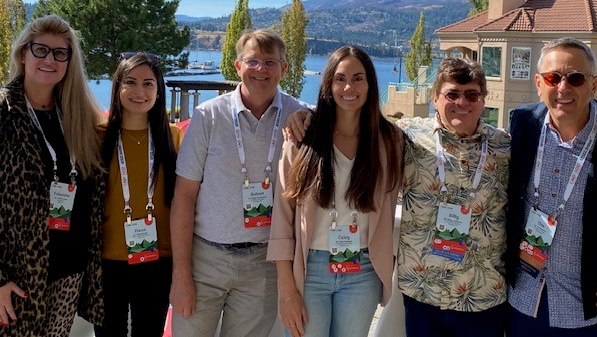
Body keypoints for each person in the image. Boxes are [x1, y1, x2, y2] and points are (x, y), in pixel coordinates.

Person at [170, 28, 308, 337]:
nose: (261, 70)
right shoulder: (209, 116)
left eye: (271, 62)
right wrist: (181, 275)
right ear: (237, 67)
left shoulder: (300, 115)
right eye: (253, 61)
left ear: (284, 68)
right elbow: (184, 197)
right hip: (205, 260)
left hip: (263, 264)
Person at [506, 37, 597, 336]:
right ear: (539, 84)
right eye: (554, 78)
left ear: (594, 85)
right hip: (524, 306)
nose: (563, 89)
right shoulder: (522, 124)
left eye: (576, 78)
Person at [267, 46, 403, 337]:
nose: (349, 87)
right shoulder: (303, 139)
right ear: (328, 85)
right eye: (340, 79)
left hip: (363, 270)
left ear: (370, 84)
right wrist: (287, 290)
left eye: (358, 78)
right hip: (310, 269)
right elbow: (281, 217)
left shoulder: (390, 141)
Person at [0, 14, 105, 336]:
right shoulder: (3, 113)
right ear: (22, 53)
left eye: (61, 53)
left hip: (68, 273)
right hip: (17, 276)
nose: (50, 59)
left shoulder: (78, 116)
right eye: (40, 50)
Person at [395, 57, 510, 337]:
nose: (462, 102)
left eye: (472, 94)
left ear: (483, 100)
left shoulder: (506, 145)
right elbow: (351, 125)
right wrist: (303, 115)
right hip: (422, 291)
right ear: (435, 98)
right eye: (452, 94)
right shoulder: (405, 135)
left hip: (483, 296)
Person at [94, 52, 182, 337]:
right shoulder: (96, 136)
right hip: (106, 262)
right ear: (117, 86)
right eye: (130, 82)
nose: (139, 92)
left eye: (148, 84)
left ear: (159, 91)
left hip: (158, 260)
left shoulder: (174, 138)